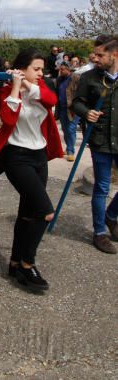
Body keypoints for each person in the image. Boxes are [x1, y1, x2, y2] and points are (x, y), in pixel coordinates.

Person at [0, 49, 63, 292]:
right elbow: (9, 119)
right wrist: (15, 87)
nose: (40, 73)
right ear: (21, 69)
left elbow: (52, 101)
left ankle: (14, 263)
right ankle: (28, 263)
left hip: (39, 156)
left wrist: (27, 83)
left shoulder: (42, 88)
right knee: (44, 212)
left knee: (27, 213)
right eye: (35, 68)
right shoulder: (6, 91)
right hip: (17, 156)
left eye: (41, 69)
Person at [72, 36, 118, 254]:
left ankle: (111, 216)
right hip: (100, 140)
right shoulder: (89, 77)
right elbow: (77, 102)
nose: (95, 58)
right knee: (102, 187)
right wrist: (86, 112)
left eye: (100, 55)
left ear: (114, 55)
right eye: (95, 54)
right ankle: (99, 233)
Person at [56, 62, 78, 162]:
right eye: (60, 69)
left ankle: (71, 151)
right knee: (65, 130)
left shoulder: (75, 78)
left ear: (68, 69)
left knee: (71, 129)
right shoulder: (59, 80)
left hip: (72, 109)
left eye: (63, 69)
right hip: (62, 108)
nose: (61, 71)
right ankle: (68, 147)